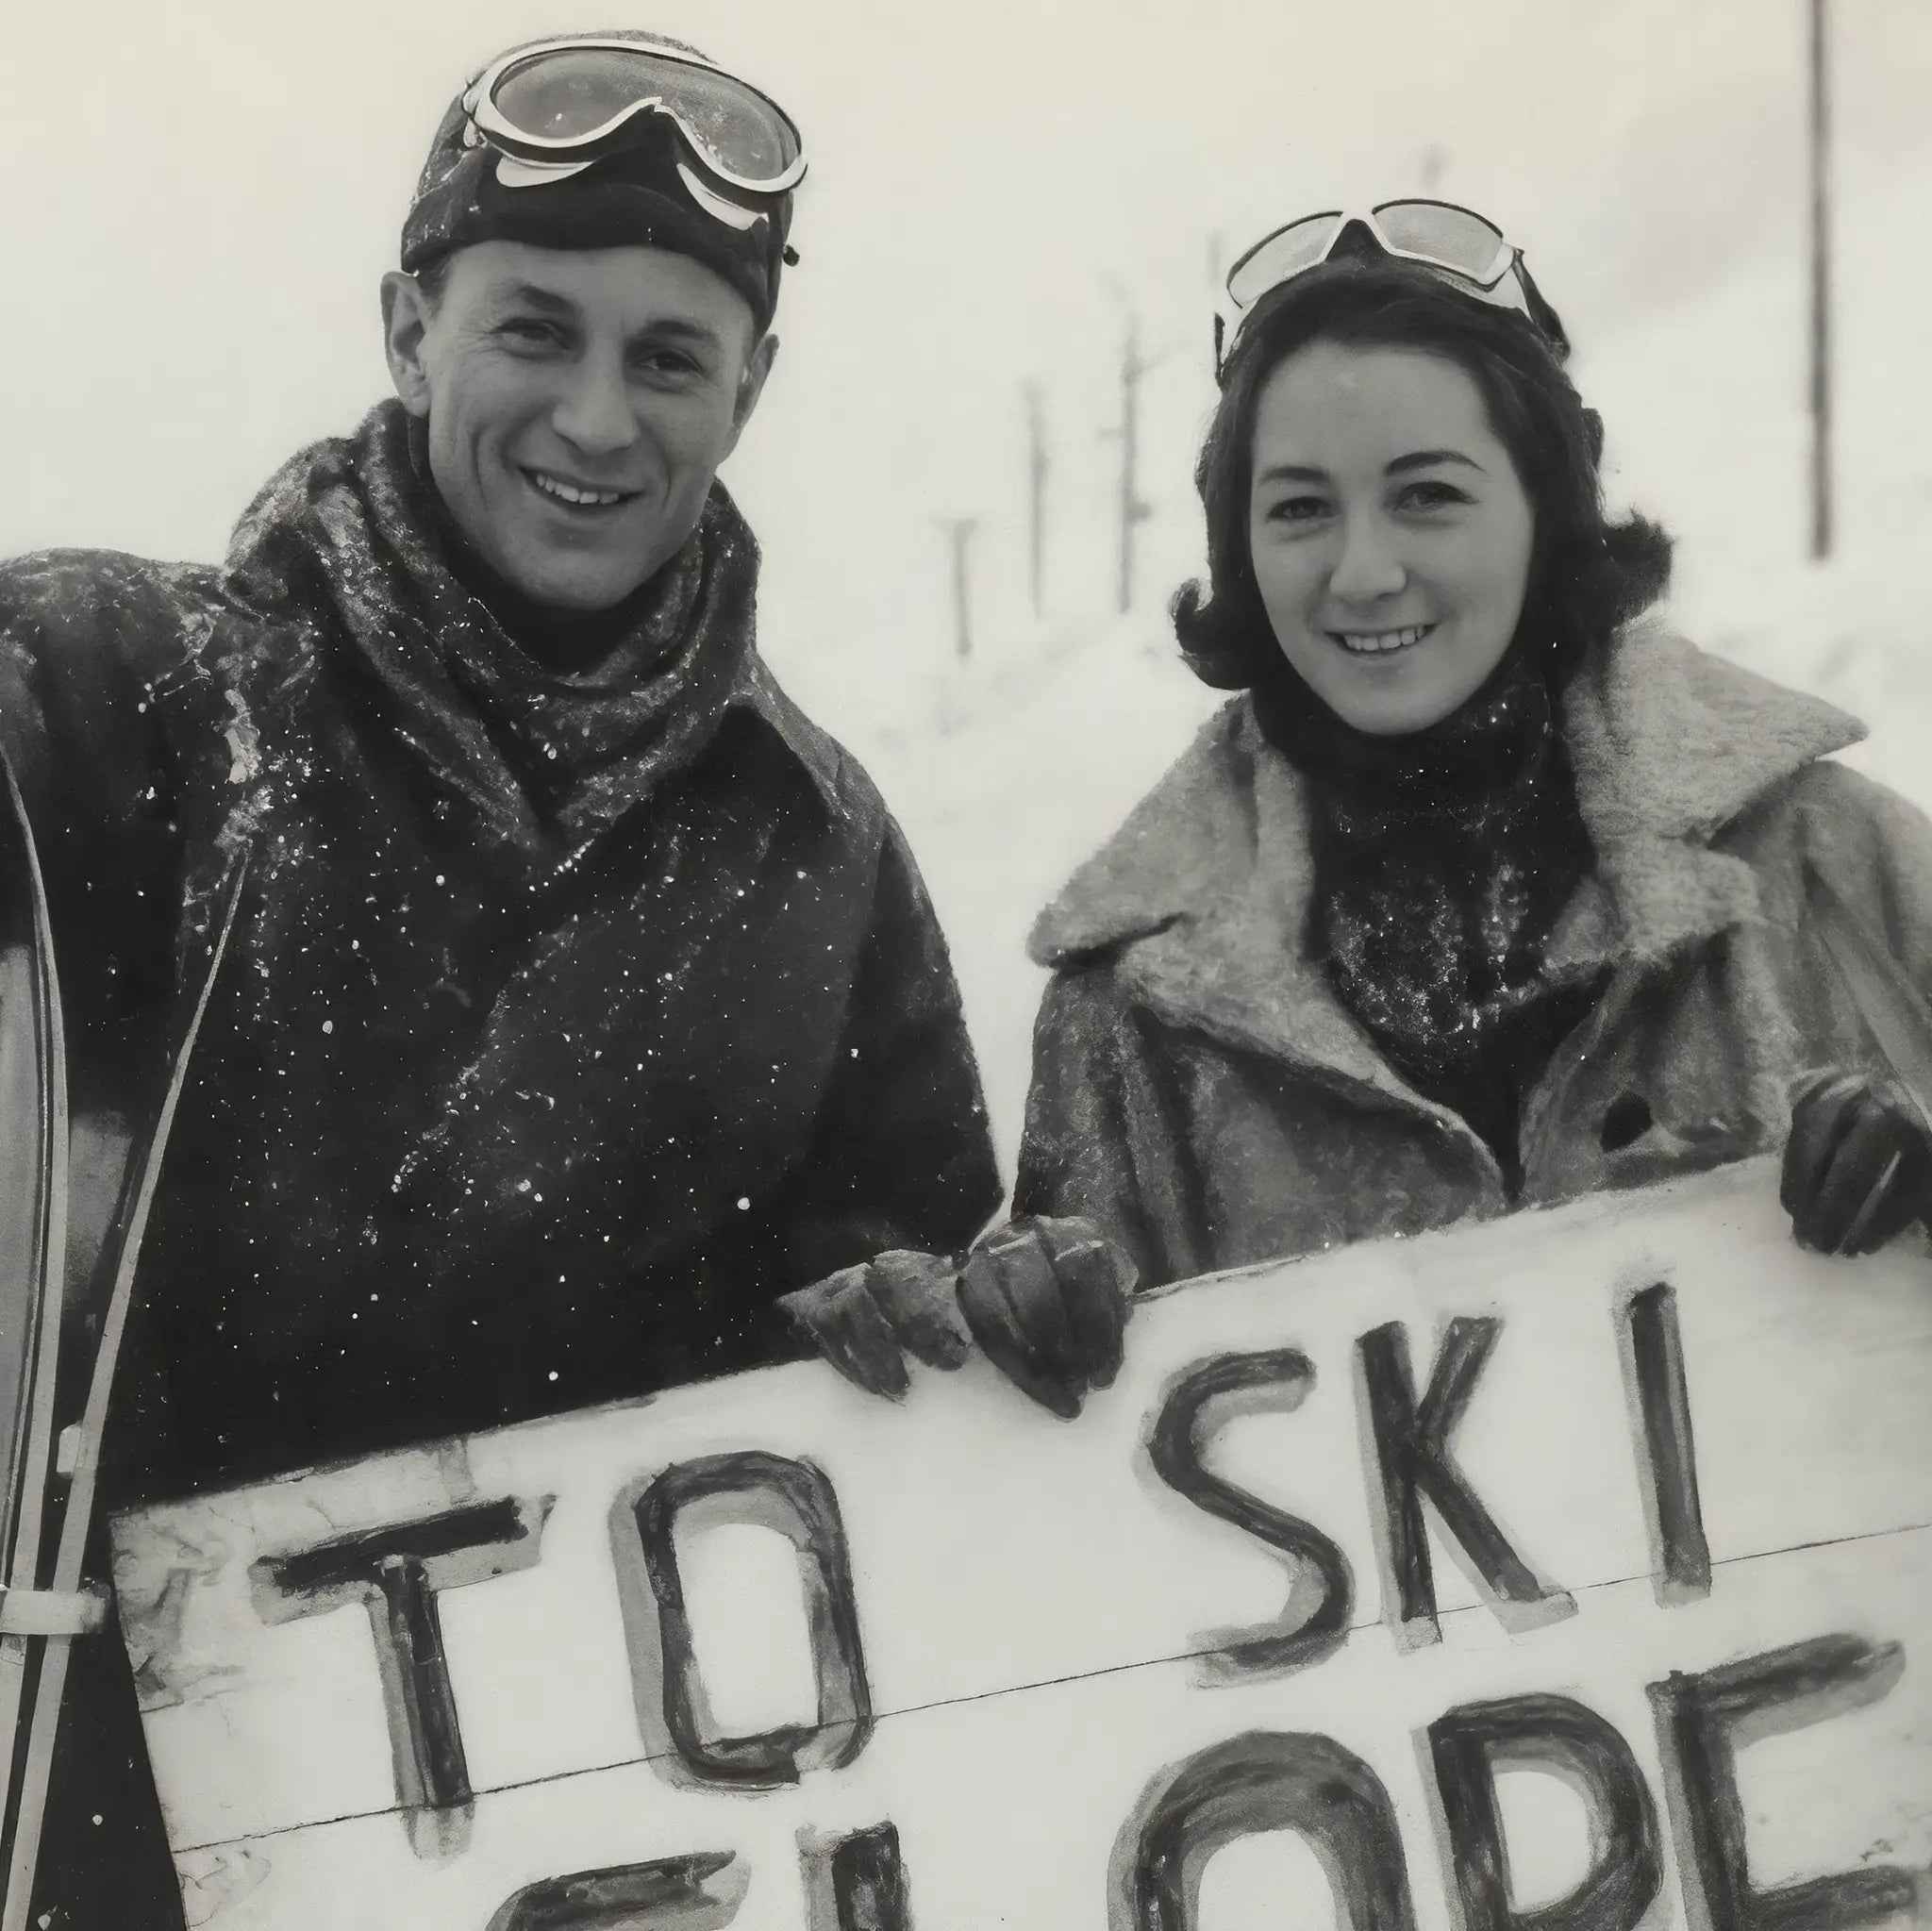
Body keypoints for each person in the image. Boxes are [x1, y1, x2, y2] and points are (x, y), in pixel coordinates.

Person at [0, 30, 1023, 1925]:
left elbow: (911, 1353)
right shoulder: (112, 690)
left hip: (570, 1843)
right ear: (410, 327)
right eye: (532, 329)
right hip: (95, 1820)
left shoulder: (816, 854)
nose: (595, 419)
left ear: (751, 387)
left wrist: (911, 1324)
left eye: (668, 356)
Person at [1013, 201, 1932, 1291]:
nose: (1361, 572)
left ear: (1545, 504)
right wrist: (999, 1319)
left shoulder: (1830, 863)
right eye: (1300, 509)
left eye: (1427, 495)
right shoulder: (1133, 1011)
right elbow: (1046, 1440)